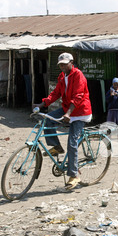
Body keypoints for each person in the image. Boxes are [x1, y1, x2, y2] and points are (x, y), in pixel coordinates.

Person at [34, 52, 92, 190]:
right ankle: (56, 147)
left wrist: (68, 113)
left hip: (79, 112)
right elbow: (56, 93)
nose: (63, 67)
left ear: (71, 63)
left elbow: (78, 96)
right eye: (61, 64)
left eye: (65, 64)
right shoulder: (62, 76)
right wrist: (43, 104)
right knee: (48, 120)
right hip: (68, 109)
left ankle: (74, 176)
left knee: (72, 143)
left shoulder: (79, 75)